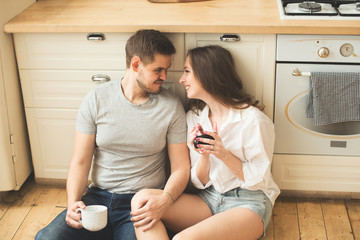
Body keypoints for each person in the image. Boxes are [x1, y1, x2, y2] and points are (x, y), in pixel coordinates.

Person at [35, 29, 190, 240]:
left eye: (166, 69)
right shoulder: (96, 99)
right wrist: (73, 203)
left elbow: (181, 167)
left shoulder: (171, 107)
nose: (164, 76)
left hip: (139, 204)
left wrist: (165, 200)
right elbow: (80, 161)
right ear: (136, 65)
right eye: (158, 70)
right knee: (46, 238)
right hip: (97, 198)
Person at [130, 45, 280, 240]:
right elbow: (199, 182)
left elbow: (259, 179)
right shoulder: (194, 118)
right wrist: (204, 156)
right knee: (142, 200)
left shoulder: (253, 120)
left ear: (207, 74)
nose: (181, 79)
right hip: (209, 198)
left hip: (248, 202)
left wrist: (224, 154)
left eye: (187, 71)